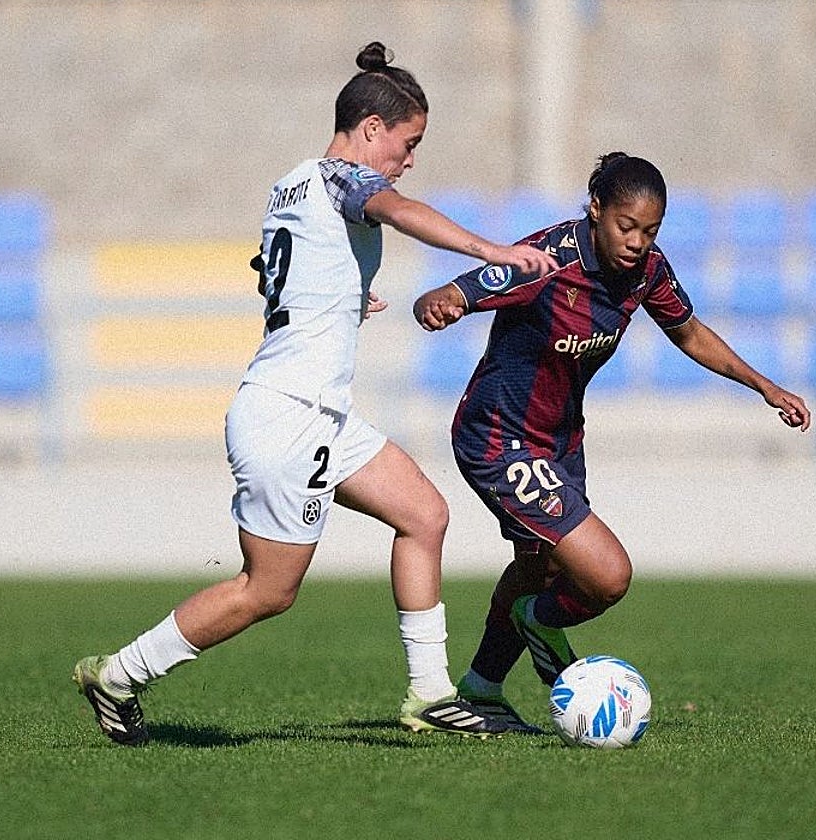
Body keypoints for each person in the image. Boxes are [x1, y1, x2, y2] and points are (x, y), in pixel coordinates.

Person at [73, 41, 558, 745]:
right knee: (267, 589)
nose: (410, 158)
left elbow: (280, 272)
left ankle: (429, 692)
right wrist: (493, 252)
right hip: (288, 415)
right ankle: (119, 672)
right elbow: (394, 205)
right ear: (370, 129)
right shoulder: (340, 177)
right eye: (408, 141)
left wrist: (344, 298)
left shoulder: (289, 184)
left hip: (315, 409)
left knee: (424, 514)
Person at [412, 152, 810, 732]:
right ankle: (539, 622)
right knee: (605, 576)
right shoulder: (546, 261)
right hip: (499, 436)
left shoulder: (647, 271)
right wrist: (441, 300)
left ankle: (481, 692)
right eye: (627, 227)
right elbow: (463, 288)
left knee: (539, 569)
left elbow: (690, 332)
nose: (637, 242)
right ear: (596, 211)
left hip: (559, 440)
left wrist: (764, 386)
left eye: (650, 231)